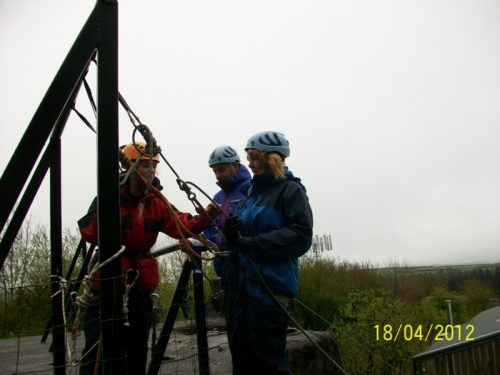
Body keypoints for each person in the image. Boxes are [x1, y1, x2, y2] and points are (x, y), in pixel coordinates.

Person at [77, 142, 218, 375]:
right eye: (144, 166)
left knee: (136, 353)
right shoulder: (111, 196)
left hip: (138, 288)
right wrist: (108, 201)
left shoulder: (156, 203)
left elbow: (182, 225)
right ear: (131, 167)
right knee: (97, 356)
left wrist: (204, 218)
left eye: (153, 166)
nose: (151, 171)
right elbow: (89, 231)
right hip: (108, 287)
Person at [223, 131, 313, 375]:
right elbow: (242, 241)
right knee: (242, 357)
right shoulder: (251, 194)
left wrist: (255, 243)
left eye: (254, 157)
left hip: (269, 289)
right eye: (249, 158)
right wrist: (232, 235)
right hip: (242, 288)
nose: (249, 164)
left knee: (268, 362)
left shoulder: (291, 191)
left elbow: (301, 235)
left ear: (273, 158)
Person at [202, 145, 251, 354]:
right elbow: (210, 230)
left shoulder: (250, 189)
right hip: (227, 273)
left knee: (250, 335)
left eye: (221, 169)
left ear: (235, 166)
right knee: (235, 336)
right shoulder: (218, 197)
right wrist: (204, 241)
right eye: (215, 171)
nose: (218, 175)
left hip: (248, 272)